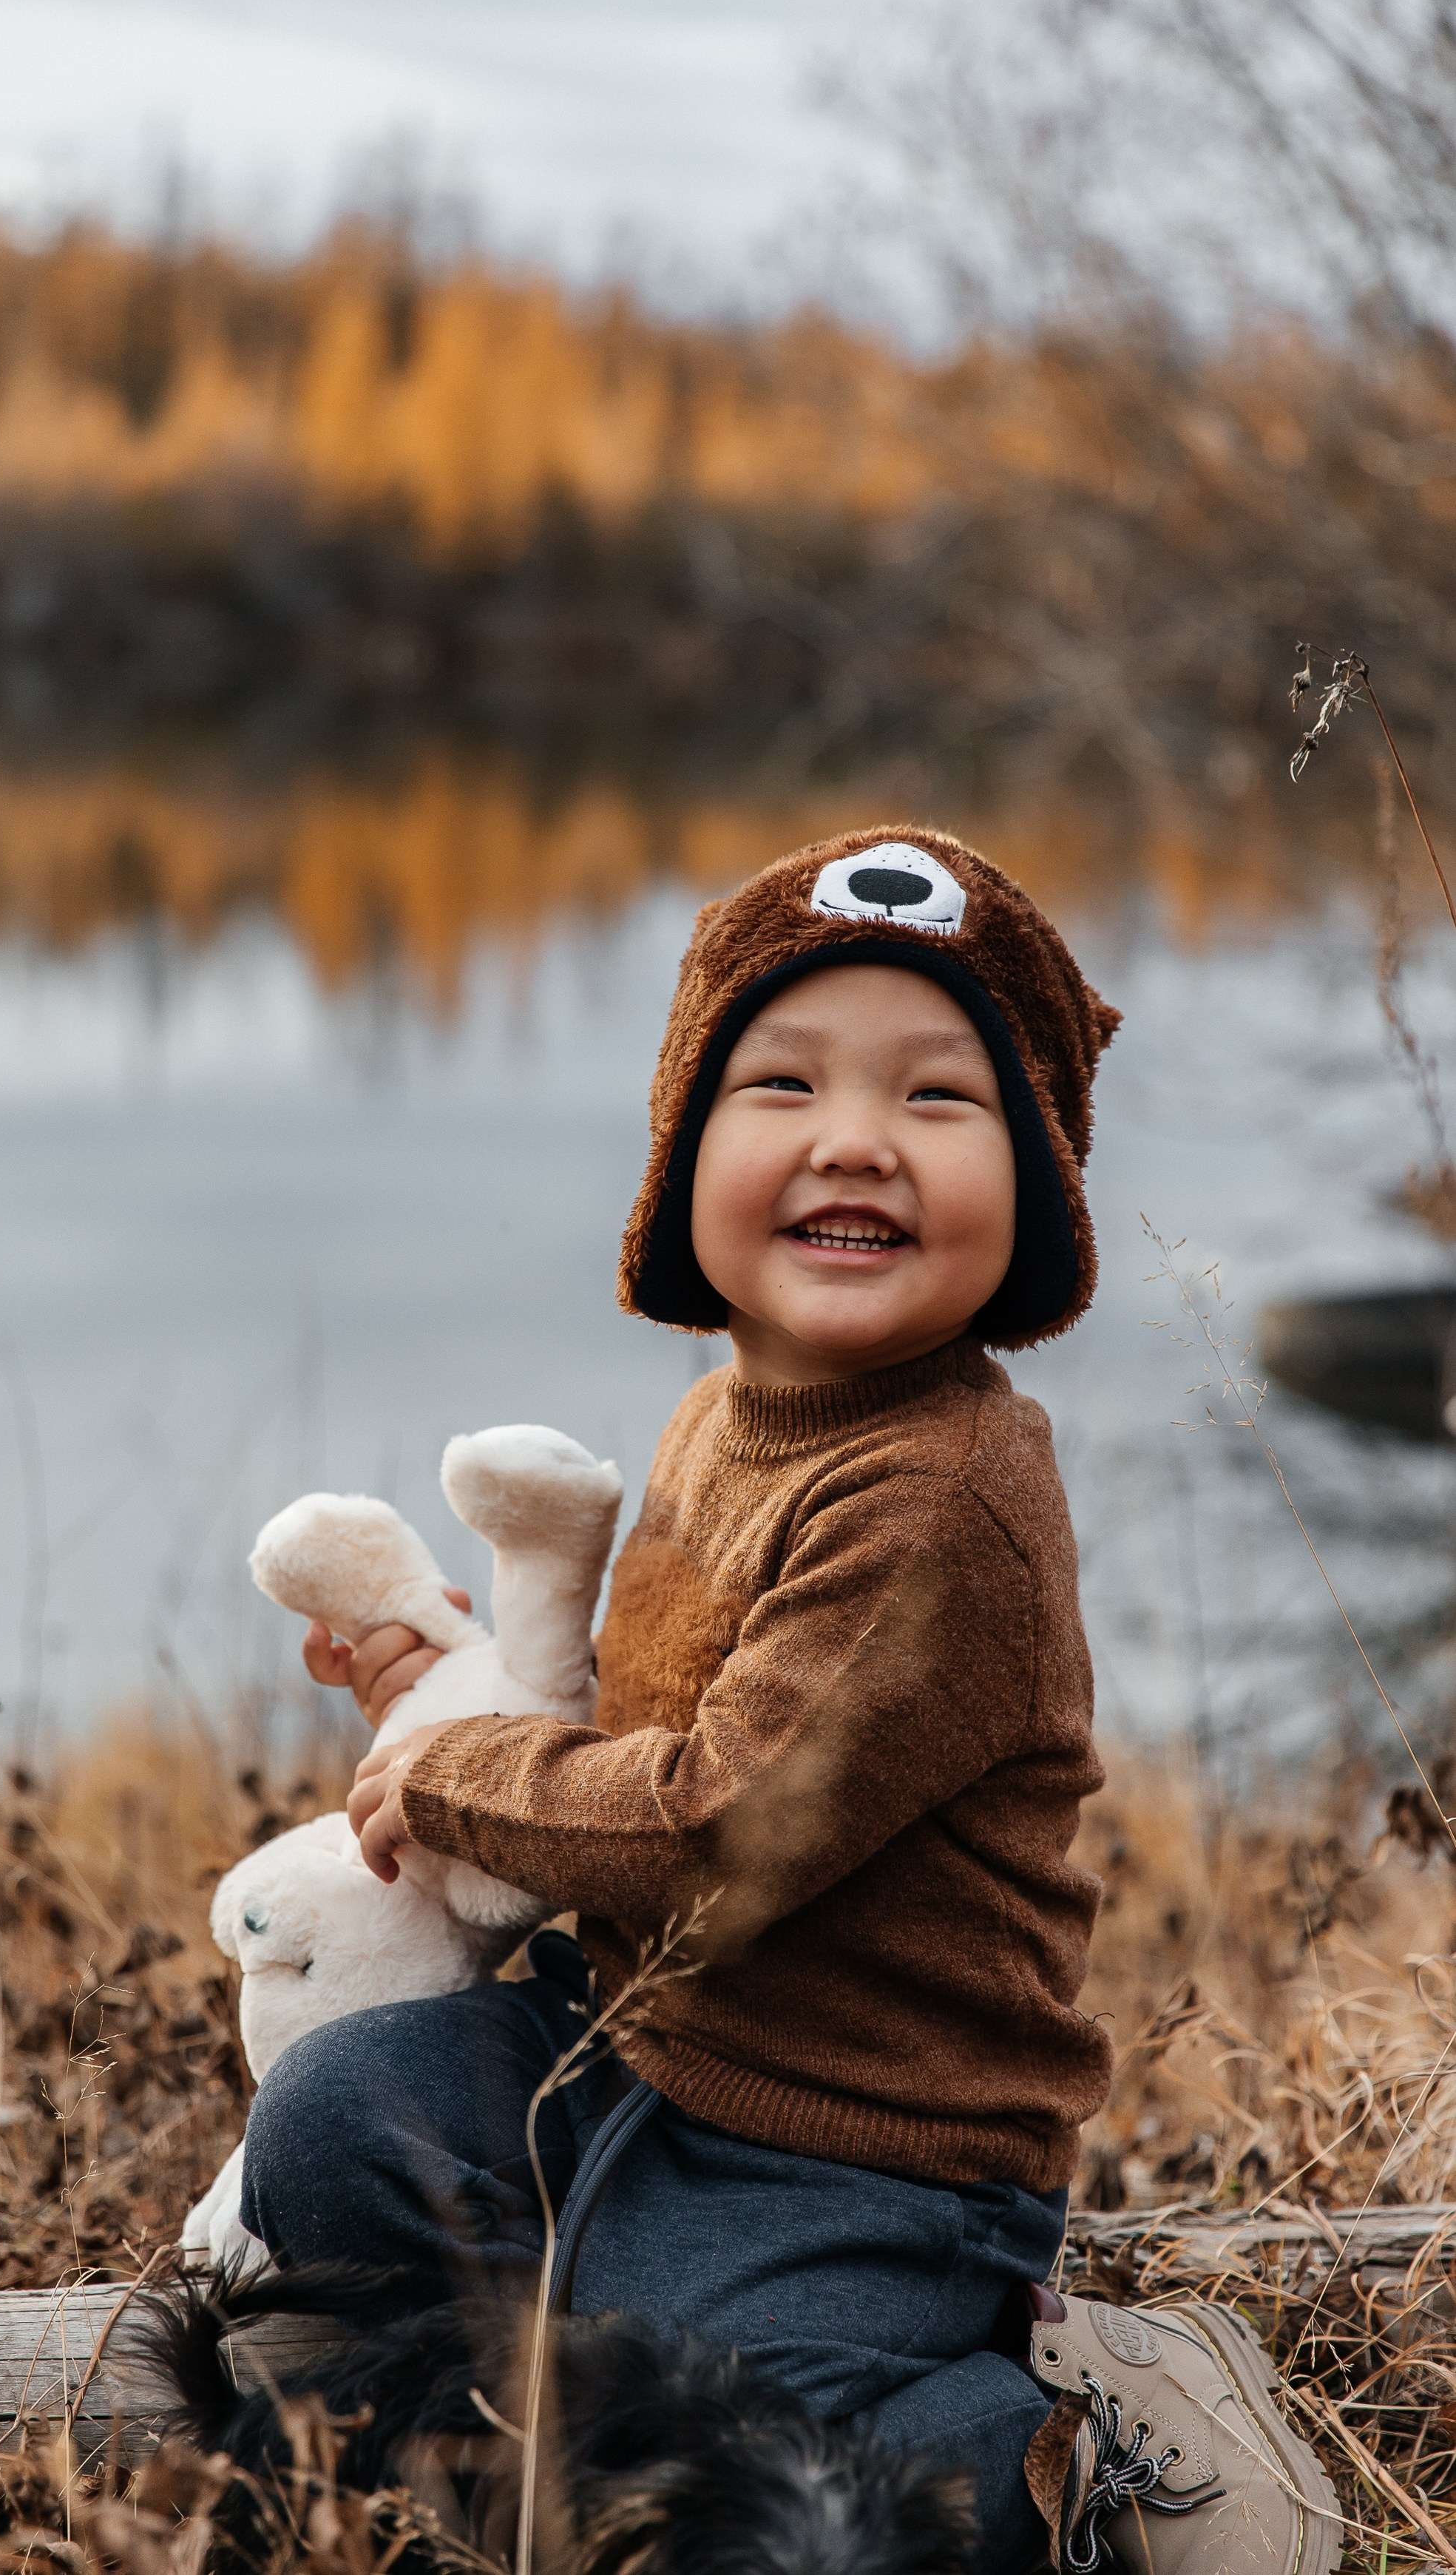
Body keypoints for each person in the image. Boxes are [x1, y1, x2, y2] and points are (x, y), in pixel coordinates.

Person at [241, 830, 1338, 2575]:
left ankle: (1044, 2455)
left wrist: (465, 1772)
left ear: (1038, 1189)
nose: (856, 1138)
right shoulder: (724, 1416)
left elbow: (719, 1820)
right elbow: (642, 1728)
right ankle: (564, 2391)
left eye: (938, 1097)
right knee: (334, 2121)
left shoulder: (945, 1498)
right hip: (633, 2055)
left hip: (864, 2157)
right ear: (685, 1154)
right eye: (785, 1083)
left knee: (762, 2461)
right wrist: (452, 1689)